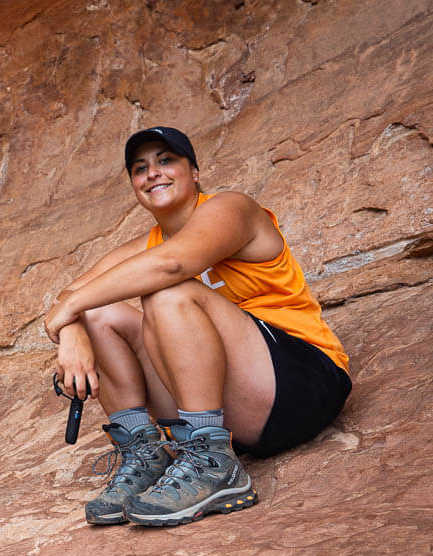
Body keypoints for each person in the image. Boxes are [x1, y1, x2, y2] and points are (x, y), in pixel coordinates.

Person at [44, 126, 352, 526]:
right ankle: (149, 458)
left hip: (301, 386)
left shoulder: (232, 208)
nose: (152, 172)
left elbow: (174, 264)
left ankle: (215, 466)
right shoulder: (148, 244)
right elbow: (70, 298)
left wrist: (71, 307)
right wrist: (73, 329)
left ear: (195, 171)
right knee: (98, 313)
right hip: (237, 412)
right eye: (140, 168)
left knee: (166, 291)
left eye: (166, 160)